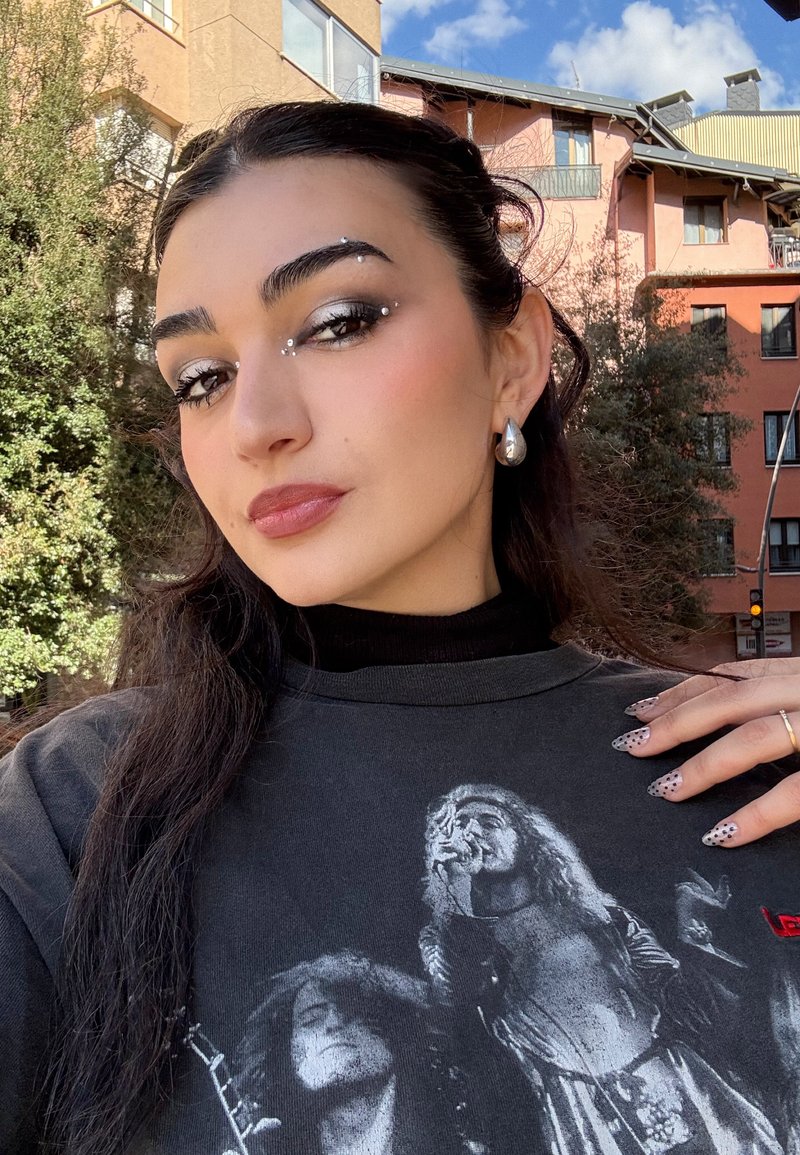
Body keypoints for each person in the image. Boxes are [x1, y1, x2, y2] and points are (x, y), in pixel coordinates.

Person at [0, 100, 798, 1155]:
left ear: (511, 356)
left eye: (337, 322)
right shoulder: (75, 810)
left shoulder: (737, 757)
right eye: (201, 377)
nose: (253, 425)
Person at [421, 784, 796, 1154]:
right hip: (581, 1115)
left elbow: (696, 1010)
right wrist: (455, 880)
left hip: (679, 1083)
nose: (473, 835)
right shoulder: (458, 940)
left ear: (525, 836)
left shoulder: (606, 919)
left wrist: (692, 935)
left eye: (489, 822)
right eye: (459, 826)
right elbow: (462, 1014)